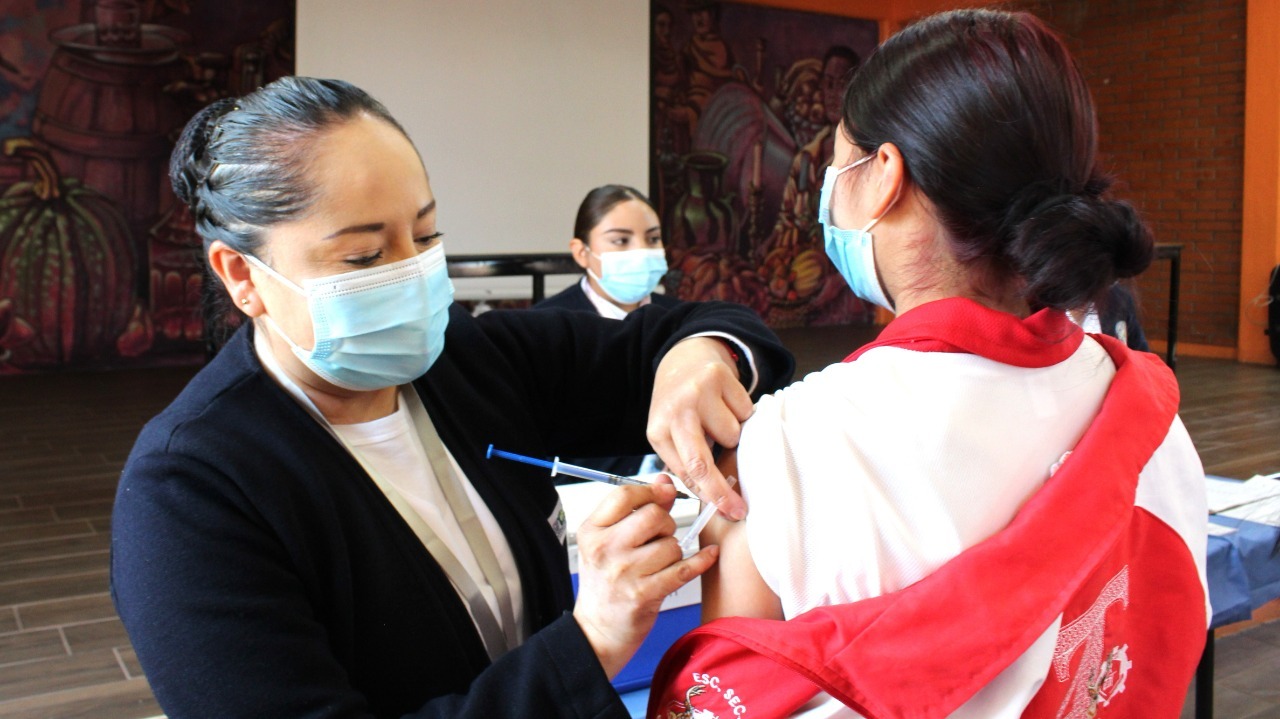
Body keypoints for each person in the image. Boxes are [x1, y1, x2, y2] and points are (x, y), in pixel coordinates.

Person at [109, 76, 794, 719]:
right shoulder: (186, 494)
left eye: (427, 233)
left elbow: (682, 331)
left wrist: (699, 357)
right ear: (241, 275)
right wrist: (591, 641)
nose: (412, 271)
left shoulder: (460, 359)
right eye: (364, 258)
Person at [648, 10, 1207, 719]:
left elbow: (727, 693)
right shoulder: (1150, 415)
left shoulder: (799, 442)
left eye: (838, 163)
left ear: (884, 175)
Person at [536, 184, 695, 479]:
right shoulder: (547, 328)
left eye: (653, 239)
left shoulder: (683, 319)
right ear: (582, 253)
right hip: (581, 495)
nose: (641, 251)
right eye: (621, 240)